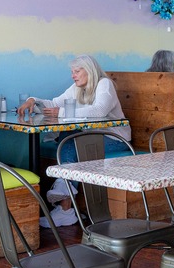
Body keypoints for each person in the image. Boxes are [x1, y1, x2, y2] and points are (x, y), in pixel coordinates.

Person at [17, 55, 132, 227]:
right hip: (91, 138)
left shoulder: (104, 84)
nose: (73, 75)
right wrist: (32, 100)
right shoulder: (77, 88)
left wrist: (61, 113)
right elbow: (54, 103)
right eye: (72, 72)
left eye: (77, 71)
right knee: (67, 136)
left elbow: (99, 110)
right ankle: (65, 199)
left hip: (116, 139)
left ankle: (65, 202)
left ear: (90, 71)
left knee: (72, 141)